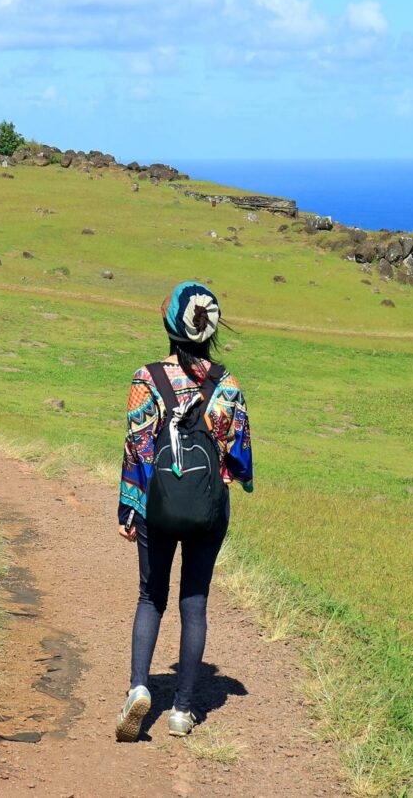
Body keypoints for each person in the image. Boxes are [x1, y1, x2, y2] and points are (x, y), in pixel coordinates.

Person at [115, 281, 253, 742]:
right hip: (208, 509)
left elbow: (137, 448)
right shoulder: (228, 383)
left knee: (150, 596)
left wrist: (130, 508)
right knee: (194, 602)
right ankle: (182, 710)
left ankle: (138, 687)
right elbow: (239, 457)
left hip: (159, 506)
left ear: (169, 323)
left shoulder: (146, 378)